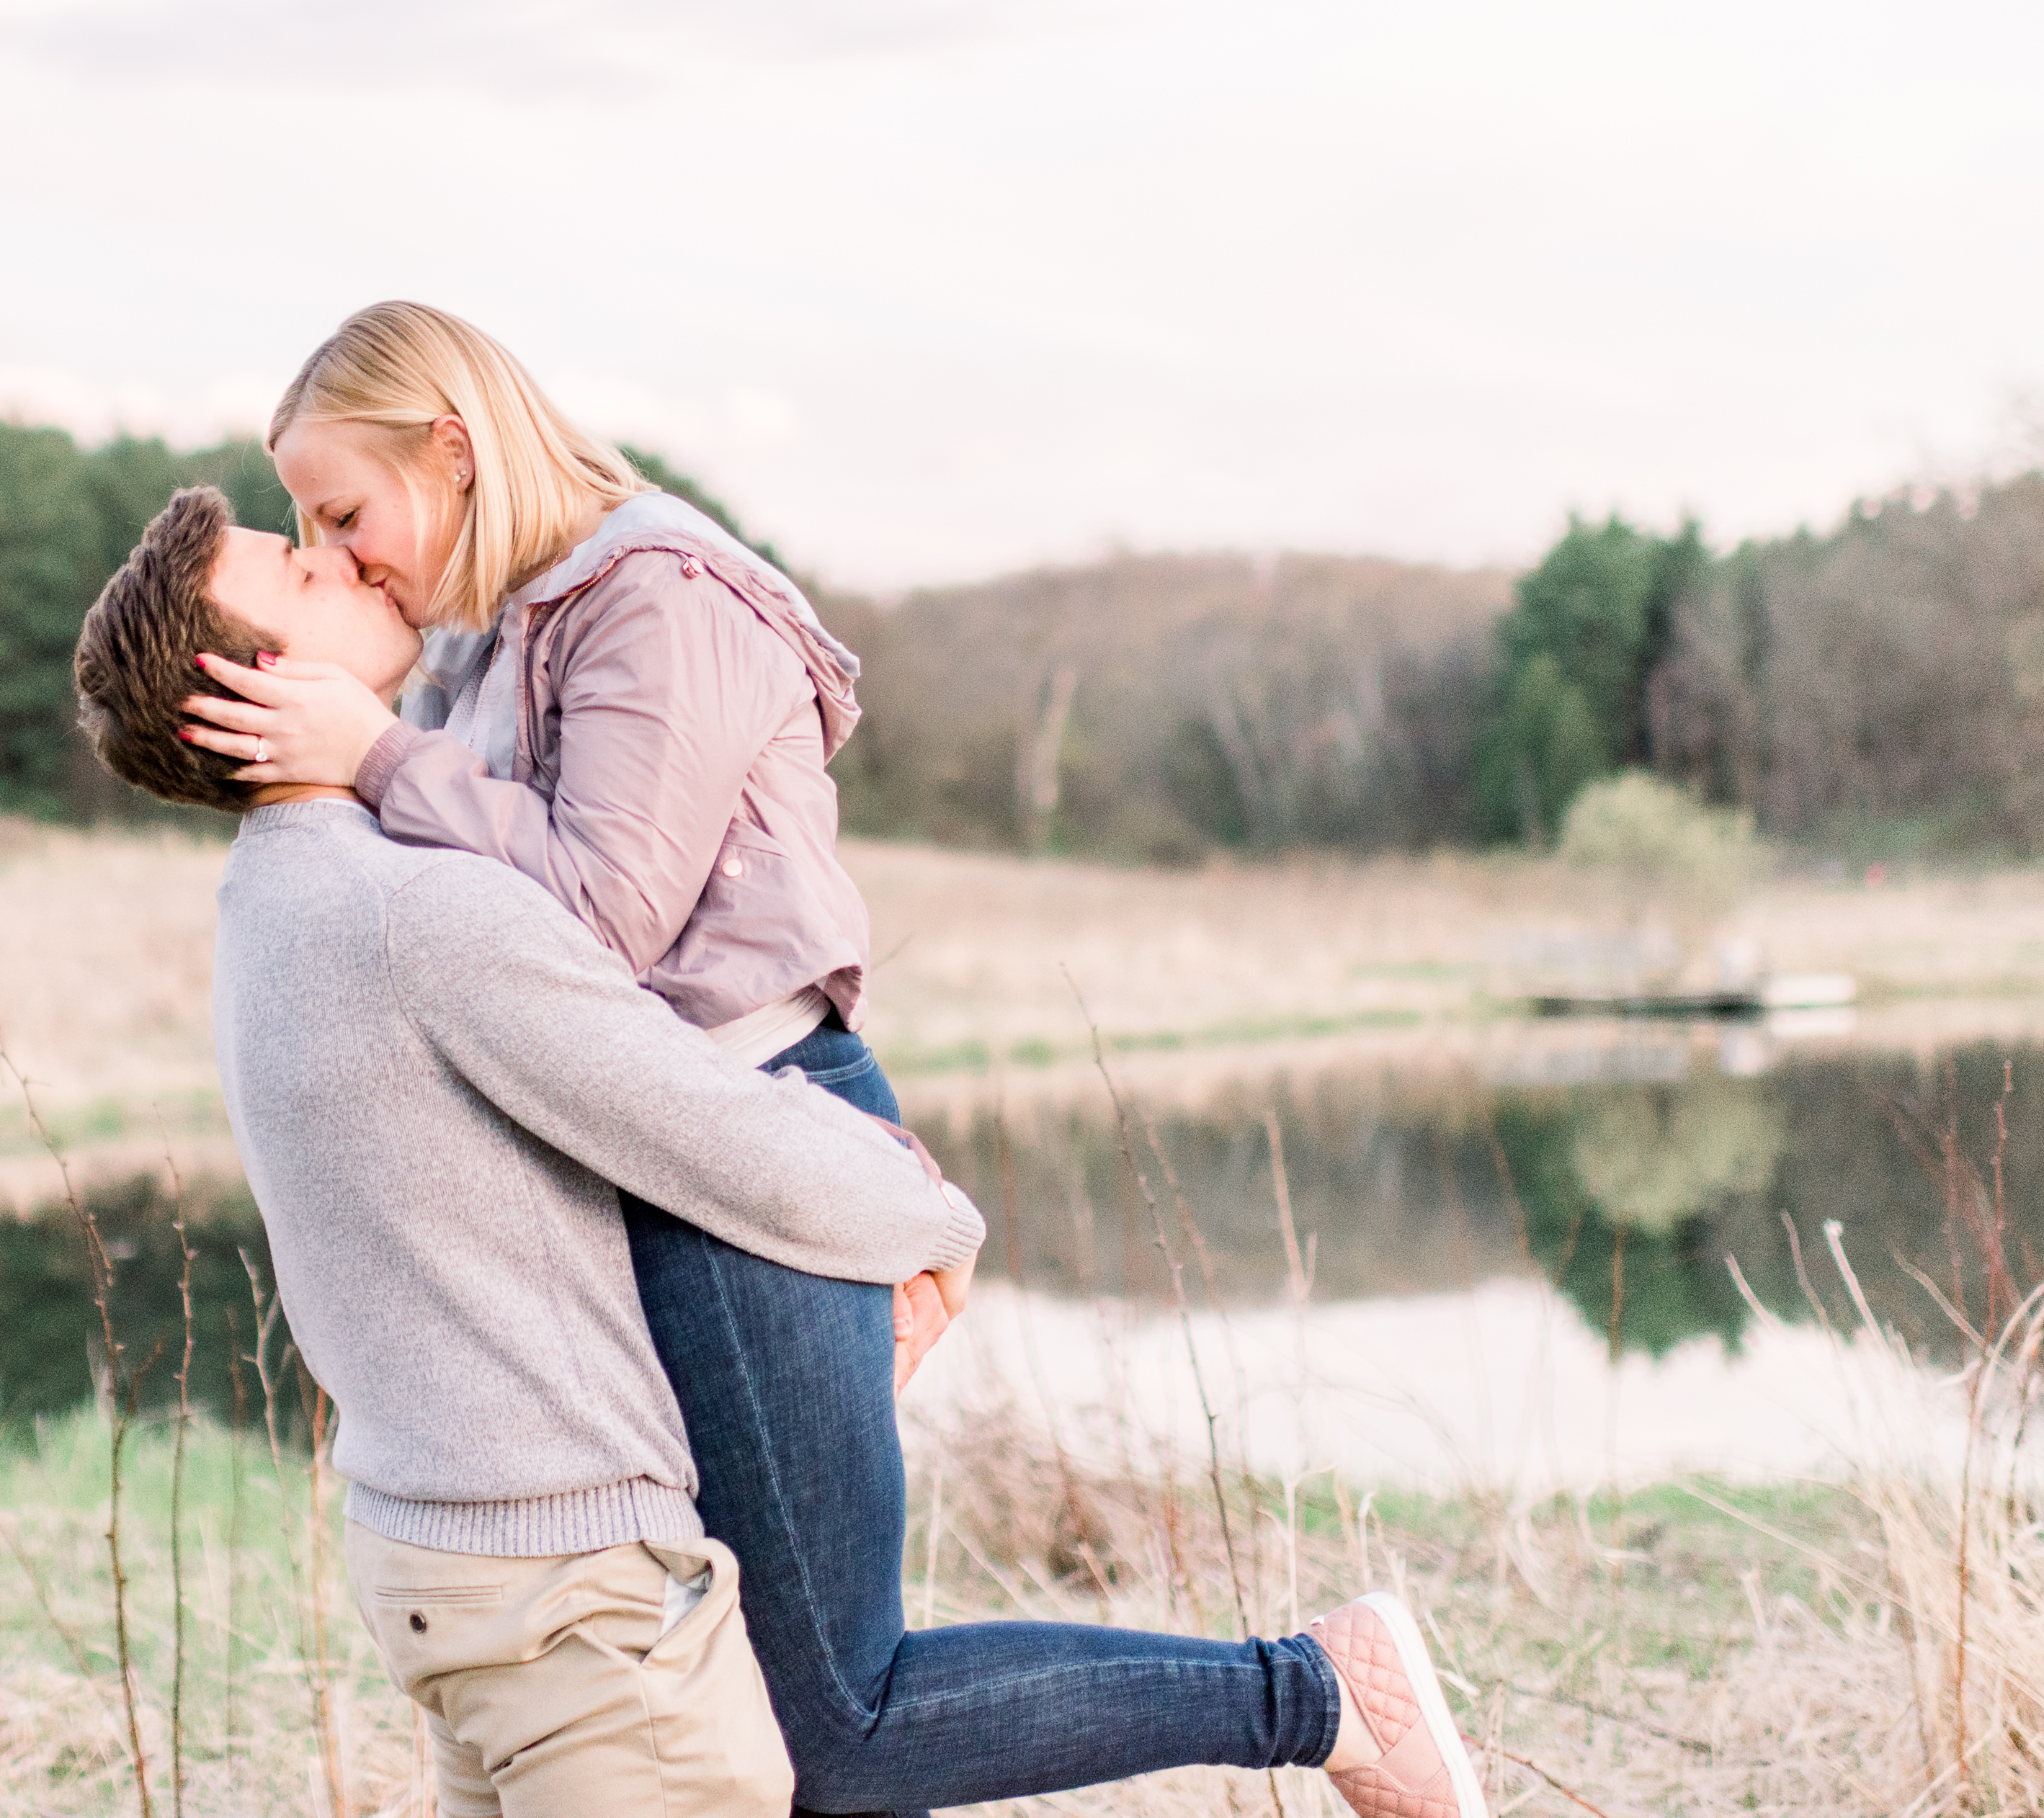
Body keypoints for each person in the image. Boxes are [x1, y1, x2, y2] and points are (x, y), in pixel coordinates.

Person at [171, 304, 1485, 1818]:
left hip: (757, 1141)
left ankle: (1318, 1695)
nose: (340, 551)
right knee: (769, 1709)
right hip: (666, 1147)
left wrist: (378, 756)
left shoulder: (653, 595)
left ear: (454, 452)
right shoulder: (488, 627)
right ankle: (1319, 1698)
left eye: (344, 512)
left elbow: (597, 921)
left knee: (834, 1724)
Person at [76, 491, 984, 1817]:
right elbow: (711, 1131)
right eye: (298, 567)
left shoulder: (268, 903)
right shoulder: (421, 913)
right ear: (261, 683)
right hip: (573, 1609)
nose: (334, 556)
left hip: (440, 1572)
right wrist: (931, 1217)